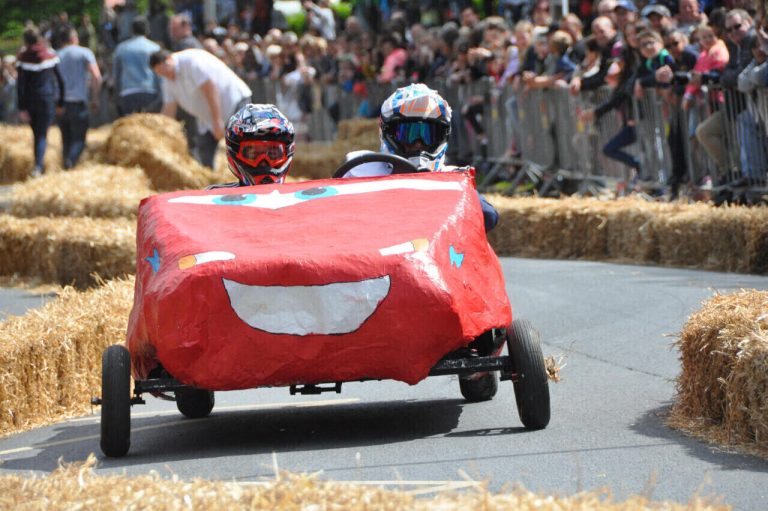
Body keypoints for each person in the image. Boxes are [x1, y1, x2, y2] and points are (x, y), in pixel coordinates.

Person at [340, 83, 499, 232]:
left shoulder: (450, 178)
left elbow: (489, 216)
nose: (418, 144)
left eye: (427, 135)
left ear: (442, 137)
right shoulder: (360, 169)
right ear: (387, 132)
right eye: (409, 134)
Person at [150, 48, 252, 169]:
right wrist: (159, 134)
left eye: (164, 70)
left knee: (242, 145)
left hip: (233, 102)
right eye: (160, 74)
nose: (164, 75)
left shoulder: (191, 62)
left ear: (169, 60)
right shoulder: (167, 81)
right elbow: (169, 110)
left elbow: (210, 90)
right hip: (207, 119)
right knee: (205, 155)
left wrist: (217, 121)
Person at [16, 25, 65, 177]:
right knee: (42, 134)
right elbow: (61, 81)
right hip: (47, 99)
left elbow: (20, 86)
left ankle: (38, 165)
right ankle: (38, 166)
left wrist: (21, 107)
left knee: (37, 134)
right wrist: (60, 102)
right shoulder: (49, 55)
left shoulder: (23, 58)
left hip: (31, 101)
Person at [209, 103, 295, 188]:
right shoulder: (212, 197)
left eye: (272, 153)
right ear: (233, 152)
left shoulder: (213, 197)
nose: (263, 163)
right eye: (254, 153)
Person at [56, 25, 102, 169]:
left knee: (66, 138)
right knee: (79, 140)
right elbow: (97, 76)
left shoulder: (55, 55)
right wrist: (95, 97)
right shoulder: (85, 52)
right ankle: (70, 162)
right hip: (78, 102)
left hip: (60, 104)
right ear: (74, 38)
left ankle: (66, 165)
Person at [113, 16, 161, 116]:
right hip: (150, 91)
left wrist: (116, 96)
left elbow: (116, 75)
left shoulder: (121, 48)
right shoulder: (155, 48)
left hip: (128, 92)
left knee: (131, 128)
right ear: (147, 30)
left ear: (131, 30)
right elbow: (159, 73)